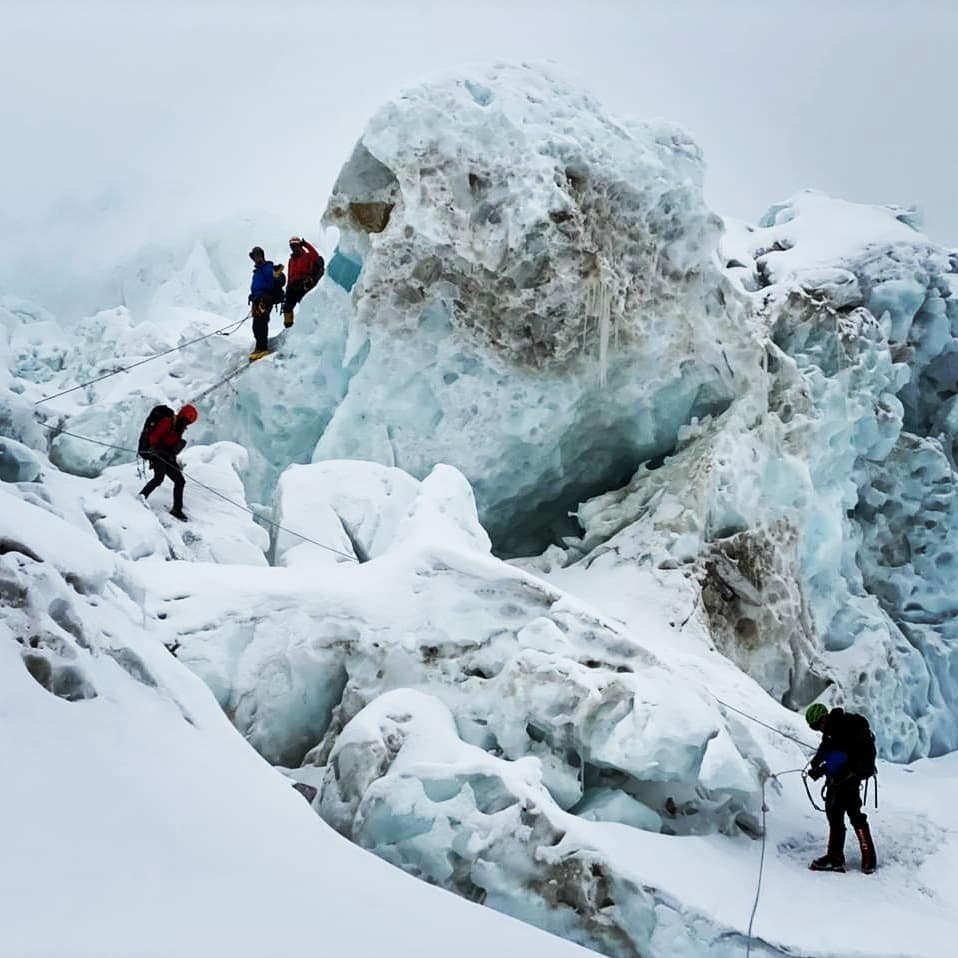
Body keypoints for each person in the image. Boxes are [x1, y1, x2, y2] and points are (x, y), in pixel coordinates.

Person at [805, 703, 877, 874]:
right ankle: (864, 859)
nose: (819, 729)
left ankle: (838, 858)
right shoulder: (832, 728)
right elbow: (826, 749)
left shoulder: (840, 728)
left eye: (818, 725)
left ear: (823, 719)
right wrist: (816, 762)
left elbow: (840, 757)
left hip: (849, 776)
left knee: (846, 814)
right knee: (838, 813)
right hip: (843, 777)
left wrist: (821, 770)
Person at [138, 404, 198, 521]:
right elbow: (154, 437)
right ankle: (141, 497)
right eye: (186, 421)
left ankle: (177, 510)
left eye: (188, 423)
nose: (186, 424)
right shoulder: (168, 422)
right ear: (182, 416)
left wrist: (173, 452)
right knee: (158, 478)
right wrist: (157, 449)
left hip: (166, 456)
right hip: (157, 454)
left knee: (180, 481)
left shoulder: (178, 427)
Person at [282, 236, 324, 328]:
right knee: (287, 307)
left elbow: (315, 256)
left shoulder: (307, 256)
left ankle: (311, 325)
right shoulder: (291, 260)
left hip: (304, 283)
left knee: (305, 304)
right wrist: (288, 287)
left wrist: (306, 244)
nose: (294, 248)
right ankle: (288, 326)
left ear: (300, 245)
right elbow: (289, 274)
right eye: (292, 246)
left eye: (296, 245)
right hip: (292, 285)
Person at [248, 246, 279, 361]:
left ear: (262, 256)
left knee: (261, 323)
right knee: (256, 325)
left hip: (265, 300)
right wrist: (253, 295)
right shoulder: (257, 271)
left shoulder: (267, 268)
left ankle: (262, 348)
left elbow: (272, 282)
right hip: (257, 300)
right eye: (255, 257)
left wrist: (265, 294)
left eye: (258, 256)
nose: (256, 259)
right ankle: (259, 347)